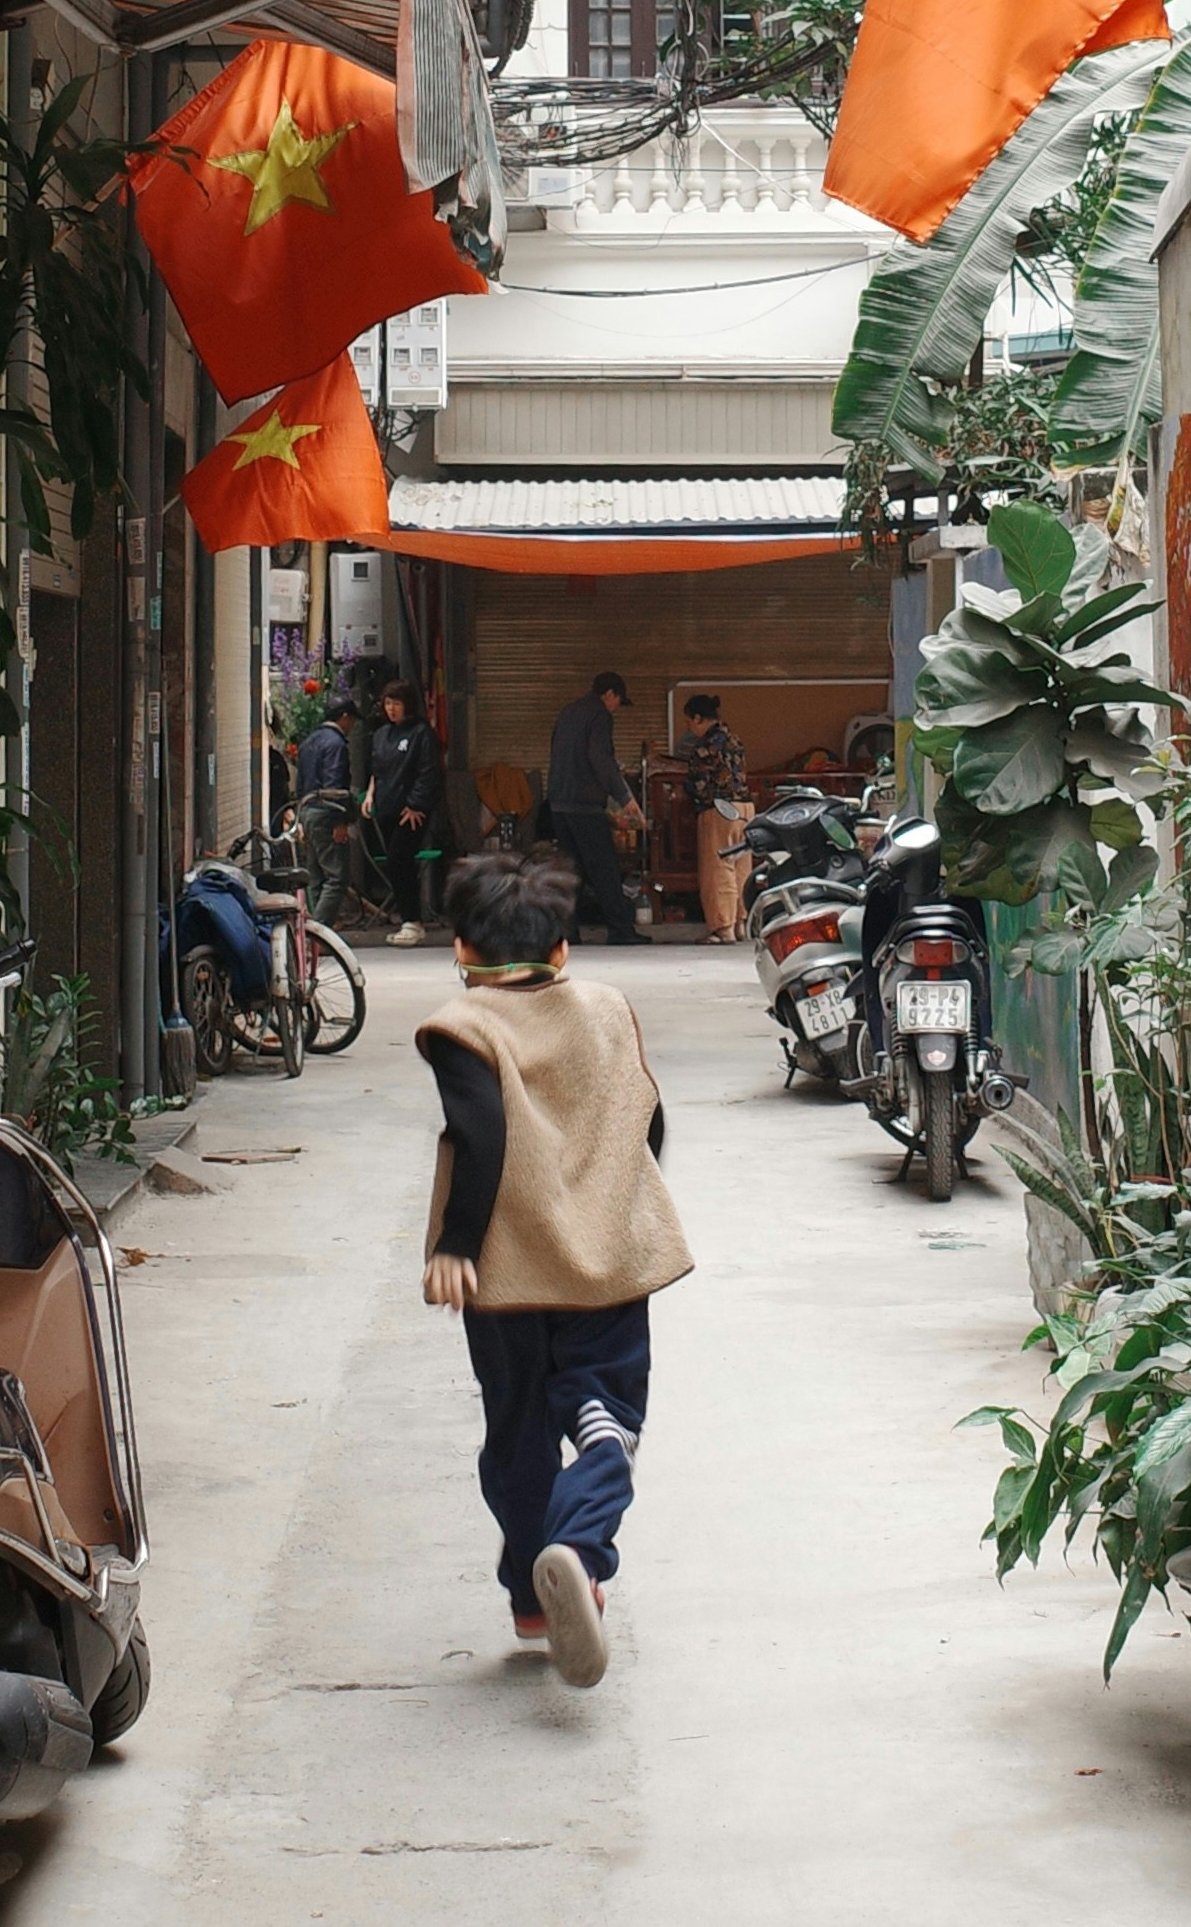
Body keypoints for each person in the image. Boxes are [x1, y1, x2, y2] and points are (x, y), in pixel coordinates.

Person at [418, 851, 692, 1688]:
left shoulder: (463, 1027)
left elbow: (480, 1138)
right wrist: (620, 1207)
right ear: (562, 951)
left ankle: (533, 1592)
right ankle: (579, 1543)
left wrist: (456, 1245)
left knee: (517, 1427)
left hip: (503, 1274)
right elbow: (645, 1122)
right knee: (603, 1405)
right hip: (605, 1264)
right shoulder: (608, 1009)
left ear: (461, 950)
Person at [547, 671, 646, 946]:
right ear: (610, 694)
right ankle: (620, 930)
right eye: (618, 700)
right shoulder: (600, 715)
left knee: (569, 870)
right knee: (604, 868)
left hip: (559, 803)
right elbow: (600, 759)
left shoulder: (568, 712)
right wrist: (625, 798)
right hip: (584, 805)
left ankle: (567, 931)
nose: (616, 707)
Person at [364, 677, 443, 948]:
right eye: (387, 703)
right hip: (385, 807)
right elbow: (377, 770)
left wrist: (417, 805)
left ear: (407, 704)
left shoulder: (421, 733)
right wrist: (370, 795)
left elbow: (428, 772)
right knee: (396, 864)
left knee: (400, 859)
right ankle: (408, 921)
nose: (391, 709)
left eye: (396, 703)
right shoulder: (381, 735)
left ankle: (412, 921)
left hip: (410, 811)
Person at [675, 693, 752, 943]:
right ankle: (741, 924)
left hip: (719, 810)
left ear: (698, 718)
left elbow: (699, 783)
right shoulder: (734, 740)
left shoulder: (705, 746)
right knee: (741, 868)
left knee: (719, 869)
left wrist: (682, 790)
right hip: (745, 809)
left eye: (689, 721)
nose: (688, 727)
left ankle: (723, 928)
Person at [294, 693, 360, 928]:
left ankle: (310, 932)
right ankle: (318, 932)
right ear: (344, 717)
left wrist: (299, 817)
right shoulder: (336, 744)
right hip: (326, 813)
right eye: (351, 720)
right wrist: (340, 820)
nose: (352, 726)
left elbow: (300, 784)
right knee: (337, 877)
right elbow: (334, 787)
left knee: (315, 876)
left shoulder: (309, 741)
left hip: (307, 811)